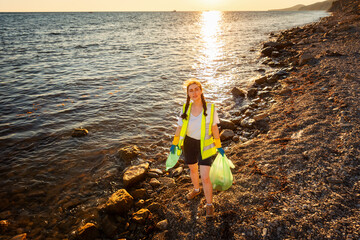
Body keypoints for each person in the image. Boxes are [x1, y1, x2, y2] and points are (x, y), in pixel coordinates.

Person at [169, 78, 224, 218]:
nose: (194, 93)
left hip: (205, 145)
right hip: (189, 144)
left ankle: (210, 205)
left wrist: (219, 147)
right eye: (191, 90)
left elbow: (214, 128)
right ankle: (196, 189)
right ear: (188, 93)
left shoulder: (210, 108)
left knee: (205, 177)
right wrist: (174, 144)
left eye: (196, 89)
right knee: (193, 169)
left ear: (201, 90)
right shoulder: (185, 108)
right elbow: (180, 127)